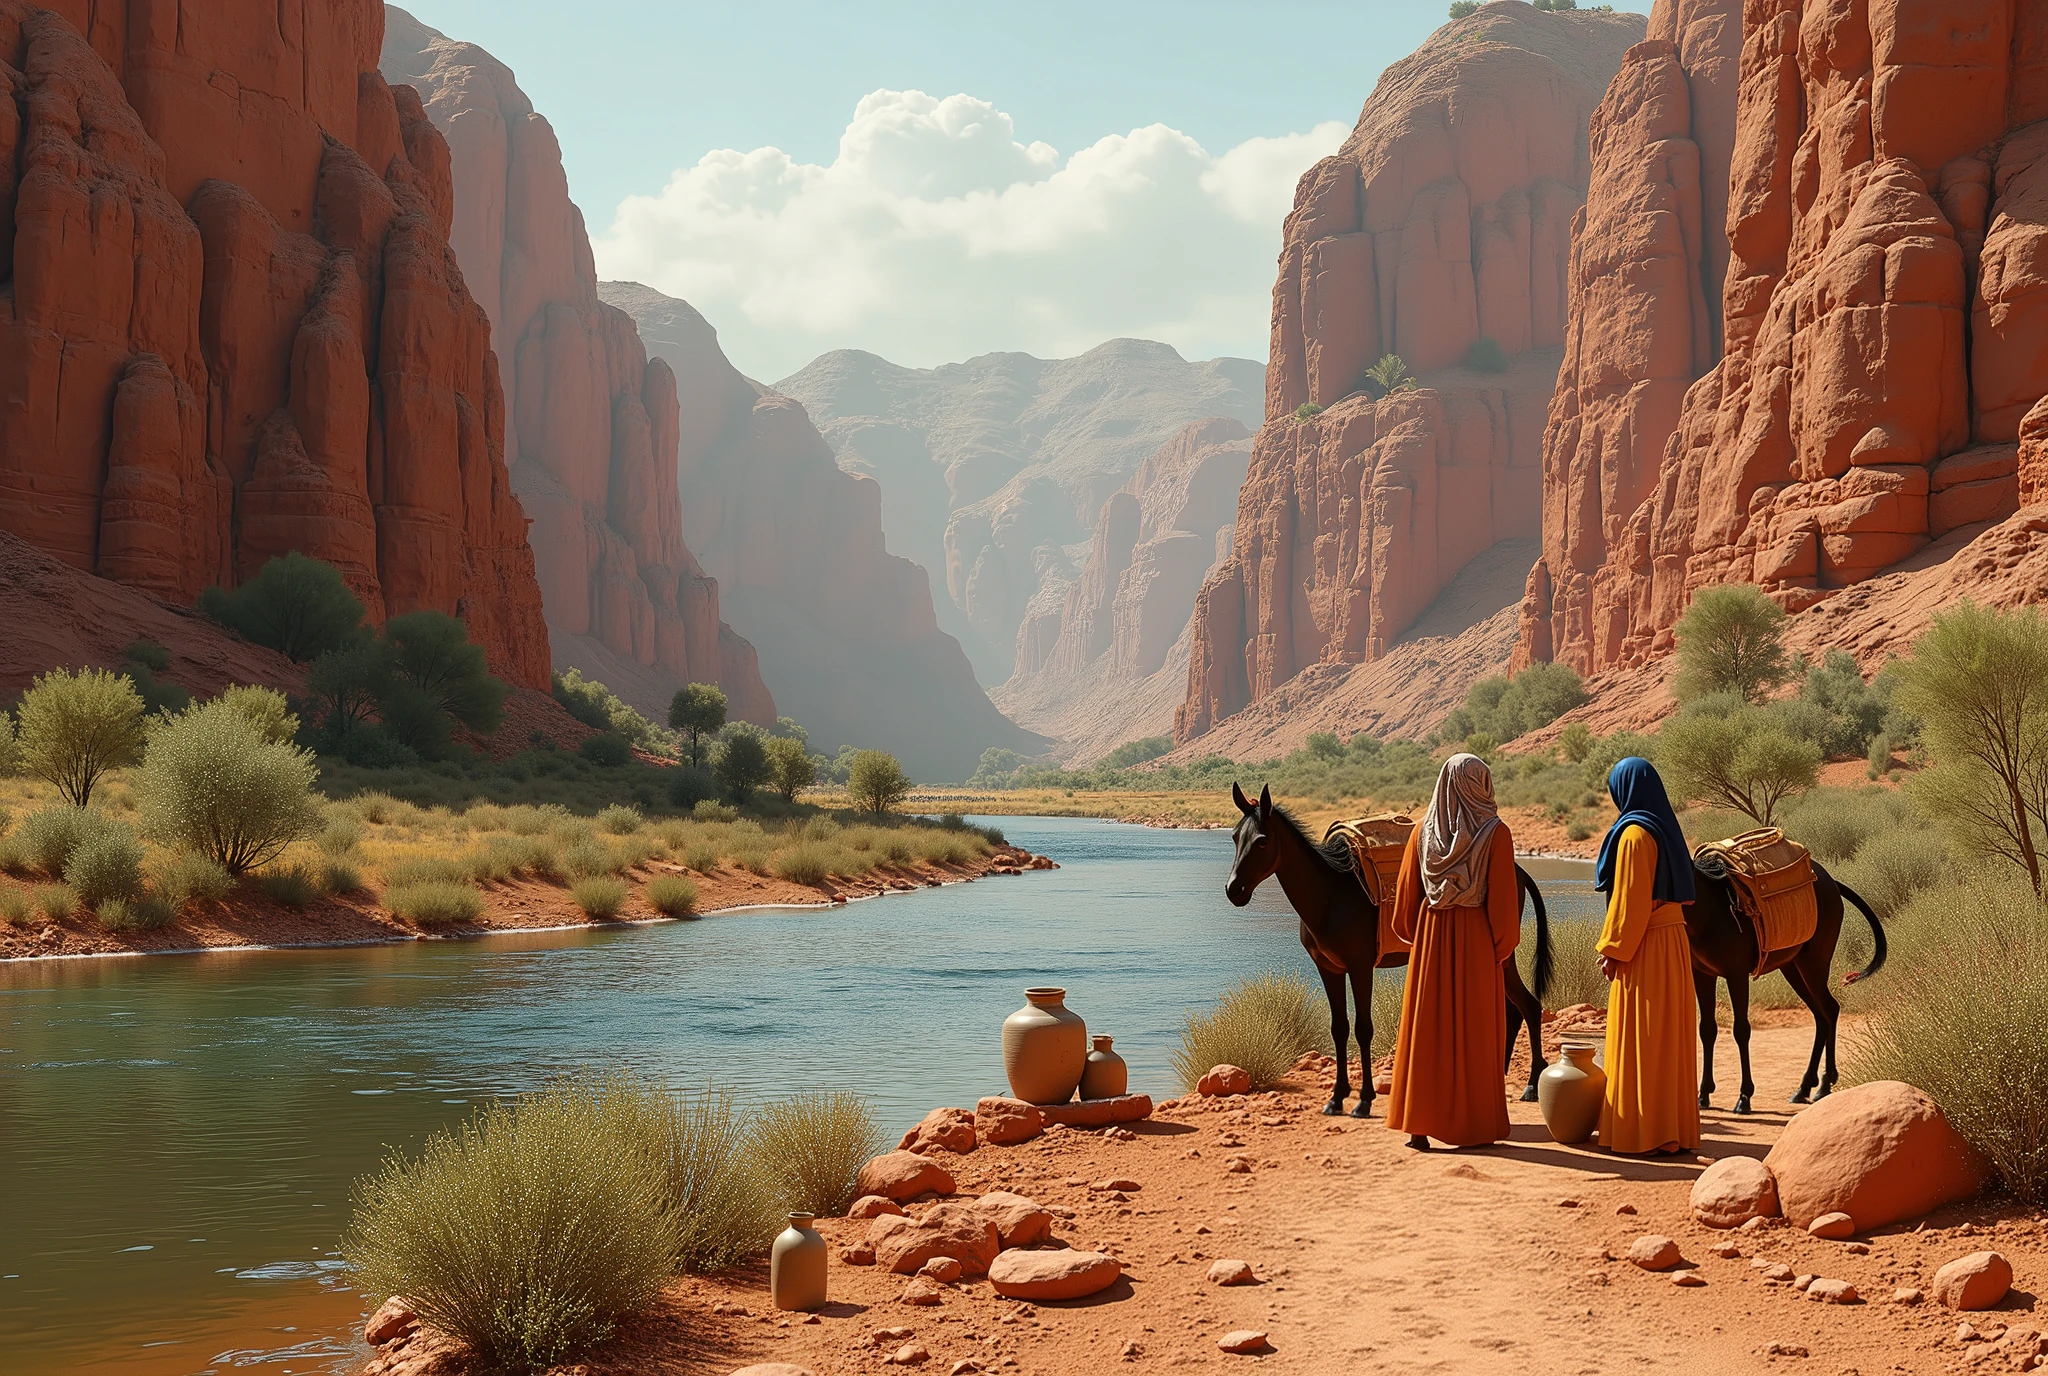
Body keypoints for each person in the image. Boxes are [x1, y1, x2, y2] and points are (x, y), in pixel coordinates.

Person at [1385, 752, 1521, 1150]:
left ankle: (1419, 1127)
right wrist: (1501, 947)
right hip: (1476, 940)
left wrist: (1420, 935)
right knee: (1474, 1031)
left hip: (1431, 940)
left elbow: (1404, 908)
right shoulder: (1496, 833)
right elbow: (1503, 906)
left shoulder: (1421, 832)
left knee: (1428, 1029)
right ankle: (1474, 1126)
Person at [1592, 756, 1701, 1155]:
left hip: (1646, 944)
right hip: (1671, 940)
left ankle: (1644, 1132)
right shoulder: (1665, 829)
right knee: (1667, 1037)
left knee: (1644, 1035)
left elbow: (1630, 903)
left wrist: (1613, 950)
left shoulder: (1635, 835)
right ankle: (1672, 1132)